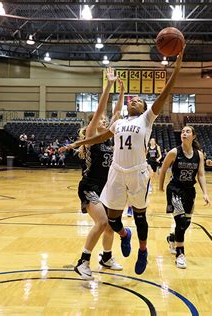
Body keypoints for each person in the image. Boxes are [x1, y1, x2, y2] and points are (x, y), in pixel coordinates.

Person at [62, 47, 185, 275]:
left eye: (138, 100)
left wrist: (176, 67)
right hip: (110, 177)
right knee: (111, 222)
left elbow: (163, 94)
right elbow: (100, 131)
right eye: (132, 99)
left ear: (145, 108)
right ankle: (115, 242)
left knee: (132, 218)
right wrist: (78, 143)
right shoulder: (113, 126)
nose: (134, 101)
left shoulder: (146, 119)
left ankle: (136, 252)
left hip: (135, 173)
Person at [72, 68, 124, 280]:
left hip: (107, 187)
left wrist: (121, 94)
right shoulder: (92, 136)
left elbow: (118, 114)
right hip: (90, 186)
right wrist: (108, 86)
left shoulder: (110, 137)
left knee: (110, 224)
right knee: (102, 222)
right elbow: (101, 109)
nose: (104, 121)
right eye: (100, 119)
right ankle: (82, 261)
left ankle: (107, 257)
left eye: (105, 120)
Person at [159, 125, 210, 269]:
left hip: (189, 191)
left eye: (187, 131)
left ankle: (172, 238)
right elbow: (163, 170)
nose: (184, 133)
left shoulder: (198, 154)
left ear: (193, 136)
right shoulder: (174, 152)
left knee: (186, 223)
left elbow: (200, 174)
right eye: (182, 131)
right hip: (175, 189)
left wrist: (205, 193)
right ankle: (180, 254)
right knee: (180, 221)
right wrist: (161, 186)